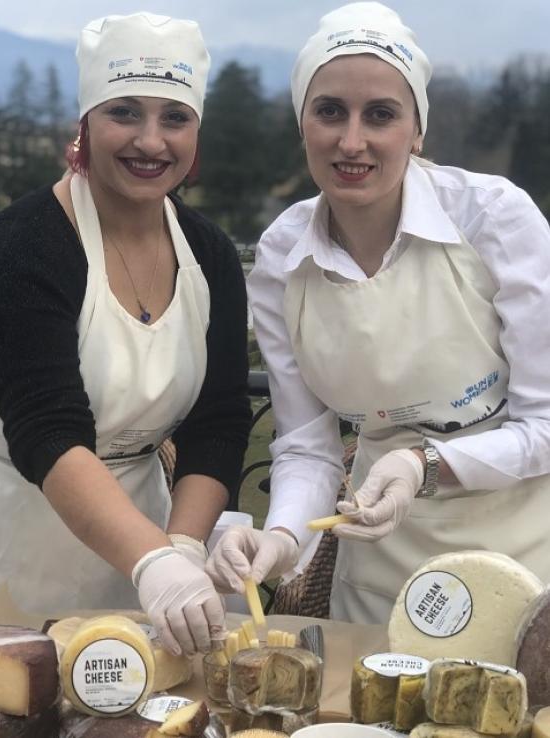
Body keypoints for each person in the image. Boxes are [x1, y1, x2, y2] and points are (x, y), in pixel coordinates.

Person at [205, 1, 550, 623]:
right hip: (378, 563)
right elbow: (308, 447)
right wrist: (281, 539)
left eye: (381, 115)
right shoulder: (283, 256)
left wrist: (424, 464)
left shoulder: (493, 219)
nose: (352, 140)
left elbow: (545, 425)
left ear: (417, 132)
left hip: (522, 553)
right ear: (301, 124)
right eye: (329, 110)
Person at [0, 12, 251, 655]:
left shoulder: (208, 253)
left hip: (136, 562)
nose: (151, 142)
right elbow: (47, 430)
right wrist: (155, 562)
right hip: (8, 547)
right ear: (86, 124)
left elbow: (218, 420)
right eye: (125, 112)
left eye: (174, 117)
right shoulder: (22, 247)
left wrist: (181, 546)